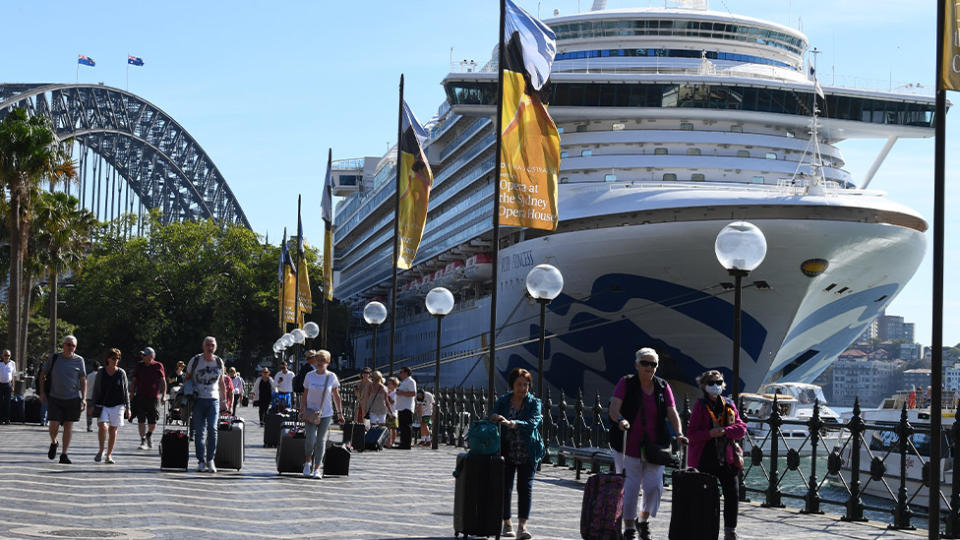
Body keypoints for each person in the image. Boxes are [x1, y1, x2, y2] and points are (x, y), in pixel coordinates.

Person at [608, 347, 687, 540]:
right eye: (645, 363)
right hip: (628, 446)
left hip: (655, 446)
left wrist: (678, 433)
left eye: (653, 364)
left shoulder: (662, 386)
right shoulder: (626, 383)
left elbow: (672, 411)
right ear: (637, 365)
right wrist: (620, 420)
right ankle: (629, 527)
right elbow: (613, 408)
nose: (649, 367)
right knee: (631, 487)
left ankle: (642, 520)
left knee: (654, 488)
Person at [686, 370, 747, 540]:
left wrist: (724, 431)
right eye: (712, 383)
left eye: (719, 383)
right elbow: (692, 435)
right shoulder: (700, 406)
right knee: (707, 498)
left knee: (732, 494)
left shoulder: (729, 404)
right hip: (705, 458)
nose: (716, 386)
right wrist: (710, 434)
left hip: (727, 459)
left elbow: (741, 428)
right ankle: (707, 531)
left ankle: (730, 531)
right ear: (704, 386)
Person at [490, 368, 545, 540]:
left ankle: (522, 527)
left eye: (526, 385)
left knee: (525, 488)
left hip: (528, 451)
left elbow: (533, 422)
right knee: (505, 488)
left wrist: (513, 423)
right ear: (512, 385)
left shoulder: (534, 402)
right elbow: (492, 413)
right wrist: (495, 417)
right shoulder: (504, 400)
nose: (523, 388)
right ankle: (507, 523)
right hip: (507, 450)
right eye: (519, 385)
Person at [38, 335, 87, 464]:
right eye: (68, 344)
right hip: (55, 397)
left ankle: (64, 454)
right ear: (63, 345)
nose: (71, 347)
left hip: (72, 398)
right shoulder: (54, 358)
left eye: (73, 345)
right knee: (53, 425)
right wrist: (42, 392)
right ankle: (54, 442)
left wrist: (84, 398)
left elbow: (83, 380)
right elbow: (43, 375)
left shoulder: (79, 360)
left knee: (68, 427)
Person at [184, 336, 227, 473]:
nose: (210, 347)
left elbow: (221, 382)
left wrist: (224, 401)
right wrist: (188, 393)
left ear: (216, 347)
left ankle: (210, 459)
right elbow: (187, 378)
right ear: (203, 346)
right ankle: (201, 461)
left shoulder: (219, 362)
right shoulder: (195, 360)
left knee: (213, 429)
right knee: (199, 432)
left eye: (212, 345)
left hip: (213, 400)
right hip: (198, 400)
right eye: (208, 345)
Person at [299, 349, 344, 478]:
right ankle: (307, 462)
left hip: (326, 413)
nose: (320, 363)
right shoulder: (310, 376)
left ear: (328, 362)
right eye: (318, 360)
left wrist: (340, 414)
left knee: (321, 440)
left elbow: (336, 395)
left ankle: (317, 468)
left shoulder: (331, 377)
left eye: (323, 361)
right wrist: (302, 409)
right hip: (310, 412)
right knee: (311, 439)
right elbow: (305, 394)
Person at [92, 349, 131, 464]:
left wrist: (128, 408)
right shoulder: (101, 372)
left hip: (118, 405)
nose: (116, 360)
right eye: (113, 358)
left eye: (118, 358)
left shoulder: (121, 373)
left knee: (113, 429)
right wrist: (92, 405)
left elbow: (125, 391)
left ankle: (109, 455)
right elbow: (96, 389)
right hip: (103, 404)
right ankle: (101, 450)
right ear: (108, 359)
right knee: (102, 426)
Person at [131, 347, 166, 450]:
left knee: (153, 421)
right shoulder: (139, 366)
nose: (143, 357)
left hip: (153, 398)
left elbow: (163, 382)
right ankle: (142, 441)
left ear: (151, 356)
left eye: (145, 355)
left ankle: (149, 434)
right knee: (140, 419)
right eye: (142, 355)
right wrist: (132, 393)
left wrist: (163, 395)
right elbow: (134, 380)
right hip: (140, 397)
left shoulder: (158, 366)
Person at [396, 366, 417, 449]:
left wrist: (401, 393)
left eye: (401, 372)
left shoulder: (411, 381)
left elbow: (413, 393)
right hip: (401, 407)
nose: (400, 374)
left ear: (406, 373)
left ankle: (406, 444)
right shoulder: (404, 382)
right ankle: (403, 442)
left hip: (407, 407)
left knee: (406, 427)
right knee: (402, 426)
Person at [0, 349, 16, 425]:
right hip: (0, 384)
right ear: (2, 355)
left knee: (7, 403)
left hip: (8, 384)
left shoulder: (12, 363)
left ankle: (7, 419)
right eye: (5, 355)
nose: (7, 357)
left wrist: (13, 386)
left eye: (8, 355)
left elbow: (13, 376)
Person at [84, 361, 100, 432]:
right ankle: (100, 426)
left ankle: (89, 426)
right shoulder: (100, 375)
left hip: (89, 396)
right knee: (99, 413)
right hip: (98, 397)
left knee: (89, 413)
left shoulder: (89, 375)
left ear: (93, 367)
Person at [385, 376, 399, 447]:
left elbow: (392, 402)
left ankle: (391, 442)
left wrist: (387, 396)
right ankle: (389, 441)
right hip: (388, 412)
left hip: (393, 412)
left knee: (393, 428)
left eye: (390, 384)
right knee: (389, 428)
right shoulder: (390, 392)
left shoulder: (395, 393)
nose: (388, 385)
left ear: (394, 385)